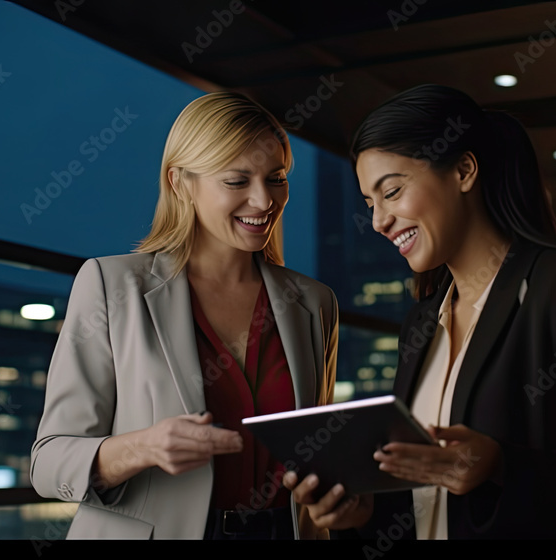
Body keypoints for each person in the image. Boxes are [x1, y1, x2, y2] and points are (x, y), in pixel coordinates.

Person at [284, 84, 556, 539]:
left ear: (463, 170)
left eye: (393, 191)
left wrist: (500, 464)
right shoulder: (422, 325)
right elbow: (429, 506)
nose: (379, 221)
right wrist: (362, 515)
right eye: (370, 203)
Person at [30, 92, 338, 540]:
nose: (264, 199)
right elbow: (49, 463)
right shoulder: (111, 285)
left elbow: (315, 451)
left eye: (277, 178)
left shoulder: (315, 303)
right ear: (180, 183)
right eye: (237, 181)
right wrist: (143, 447)